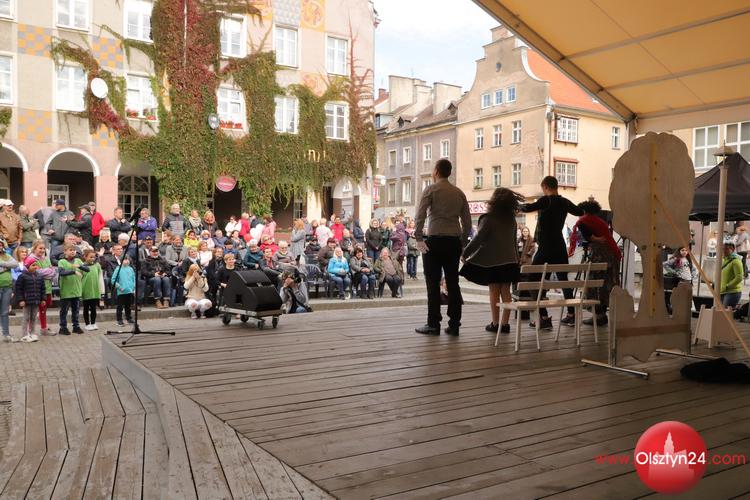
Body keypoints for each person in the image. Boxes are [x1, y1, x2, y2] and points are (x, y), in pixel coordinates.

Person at [414, 159, 471, 336]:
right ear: (449, 172)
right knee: (453, 283)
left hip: (434, 241)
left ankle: (433, 324)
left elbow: (420, 215)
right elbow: (467, 222)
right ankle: (454, 325)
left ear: (436, 171)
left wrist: (418, 237)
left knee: (433, 283)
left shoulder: (430, 190)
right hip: (453, 241)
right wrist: (462, 242)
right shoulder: (459, 193)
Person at [520, 176, 584, 330]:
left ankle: (543, 318)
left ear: (546, 187)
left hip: (546, 247)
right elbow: (579, 211)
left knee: (534, 280)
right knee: (563, 280)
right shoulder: (564, 202)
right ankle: (571, 315)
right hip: (559, 246)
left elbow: (528, 208)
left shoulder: (546, 200)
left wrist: (514, 204)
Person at [460, 188, 524, 334]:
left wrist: (465, 253)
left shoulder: (488, 218)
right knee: (506, 291)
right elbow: (513, 242)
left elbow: (478, 239)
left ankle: (495, 324)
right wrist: (517, 260)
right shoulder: (511, 220)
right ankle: (505, 324)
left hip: (493, 262)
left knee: (494, 290)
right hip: (510, 261)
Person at [567, 200, 622, 326]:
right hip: (612, 254)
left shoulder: (584, 221)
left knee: (594, 284)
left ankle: (599, 316)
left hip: (600, 255)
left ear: (583, 211)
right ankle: (603, 314)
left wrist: (596, 240)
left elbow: (590, 237)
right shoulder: (599, 220)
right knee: (607, 284)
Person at [57, 243, 88, 335]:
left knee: (76, 310)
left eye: (74, 250)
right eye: (70, 250)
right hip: (66, 290)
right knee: (64, 310)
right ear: (65, 251)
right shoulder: (61, 261)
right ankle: (63, 327)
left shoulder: (78, 260)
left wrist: (80, 266)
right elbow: (61, 272)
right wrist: (73, 271)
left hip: (76, 289)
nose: (73, 252)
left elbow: (87, 269)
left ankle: (76, 326)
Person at [14, 256, 46, 343]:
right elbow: (18, 289)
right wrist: (21, 300)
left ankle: (32, 333)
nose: (35, 267)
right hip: (26, 301)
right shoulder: (22, 276)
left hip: (36, 301)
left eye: (36, 265)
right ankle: (24, 335)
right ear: (27, 266)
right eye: (33, 265)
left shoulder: (40, 276)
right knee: (26, 318)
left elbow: (43, 289)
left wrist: (43, 299)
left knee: (34, 317)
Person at [30, 241, 55, 336]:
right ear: (34, 248)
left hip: (47, 288)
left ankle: (43, 328)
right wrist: (48, 271)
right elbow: (36, 272)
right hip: (37, 288)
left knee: (44, 309)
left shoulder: (46, 258)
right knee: (32, 311)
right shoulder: (31, 259)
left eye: (44, 248)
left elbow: (53, 272)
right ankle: (30, 331)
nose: (42, 250)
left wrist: (47, 272)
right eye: (40, 248)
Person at [80, 248, 105, 331]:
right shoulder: (82, 266)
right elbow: (80, 278)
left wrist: (101, 290)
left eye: (94, 257)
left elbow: (100, 277)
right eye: (90, 257)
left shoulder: (97, 265)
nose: (92, 259)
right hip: (85, 290)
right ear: (85, 257)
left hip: (95, 290)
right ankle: (87, 324)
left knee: (93, 308)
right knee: (86, 308)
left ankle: (93, 323)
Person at [0, 239, 17, 342]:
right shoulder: (7, 259)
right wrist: (6, 266)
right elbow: (10, 265)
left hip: (7, 287)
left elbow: (15, 264)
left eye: (1, 245)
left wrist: (2, 264)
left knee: (5, 312)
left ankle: (6, 334)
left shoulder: (7, 256)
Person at [111, 256, 135, 327]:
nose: (127, 261)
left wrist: (133, 287)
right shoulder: (118, 269)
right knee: (120, 307)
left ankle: (129, 318)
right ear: (121, 261)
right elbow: (113, 280)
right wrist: (119, 287)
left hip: (130, 291)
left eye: (128, 260)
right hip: (121, 292)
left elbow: (133, 278)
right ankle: (119, 320)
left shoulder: (131, 269)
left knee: (128, 306)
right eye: (125, 260)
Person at [719, 242, 743, 310]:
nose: (724, 251)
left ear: (732, 249)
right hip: (722, 291)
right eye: (722, 249)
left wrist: (727, 286)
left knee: (725, 313)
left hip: (732, 292)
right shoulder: (724, 260)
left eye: (726, 249)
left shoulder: (736, 261)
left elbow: (739, 277)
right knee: (720, 312)